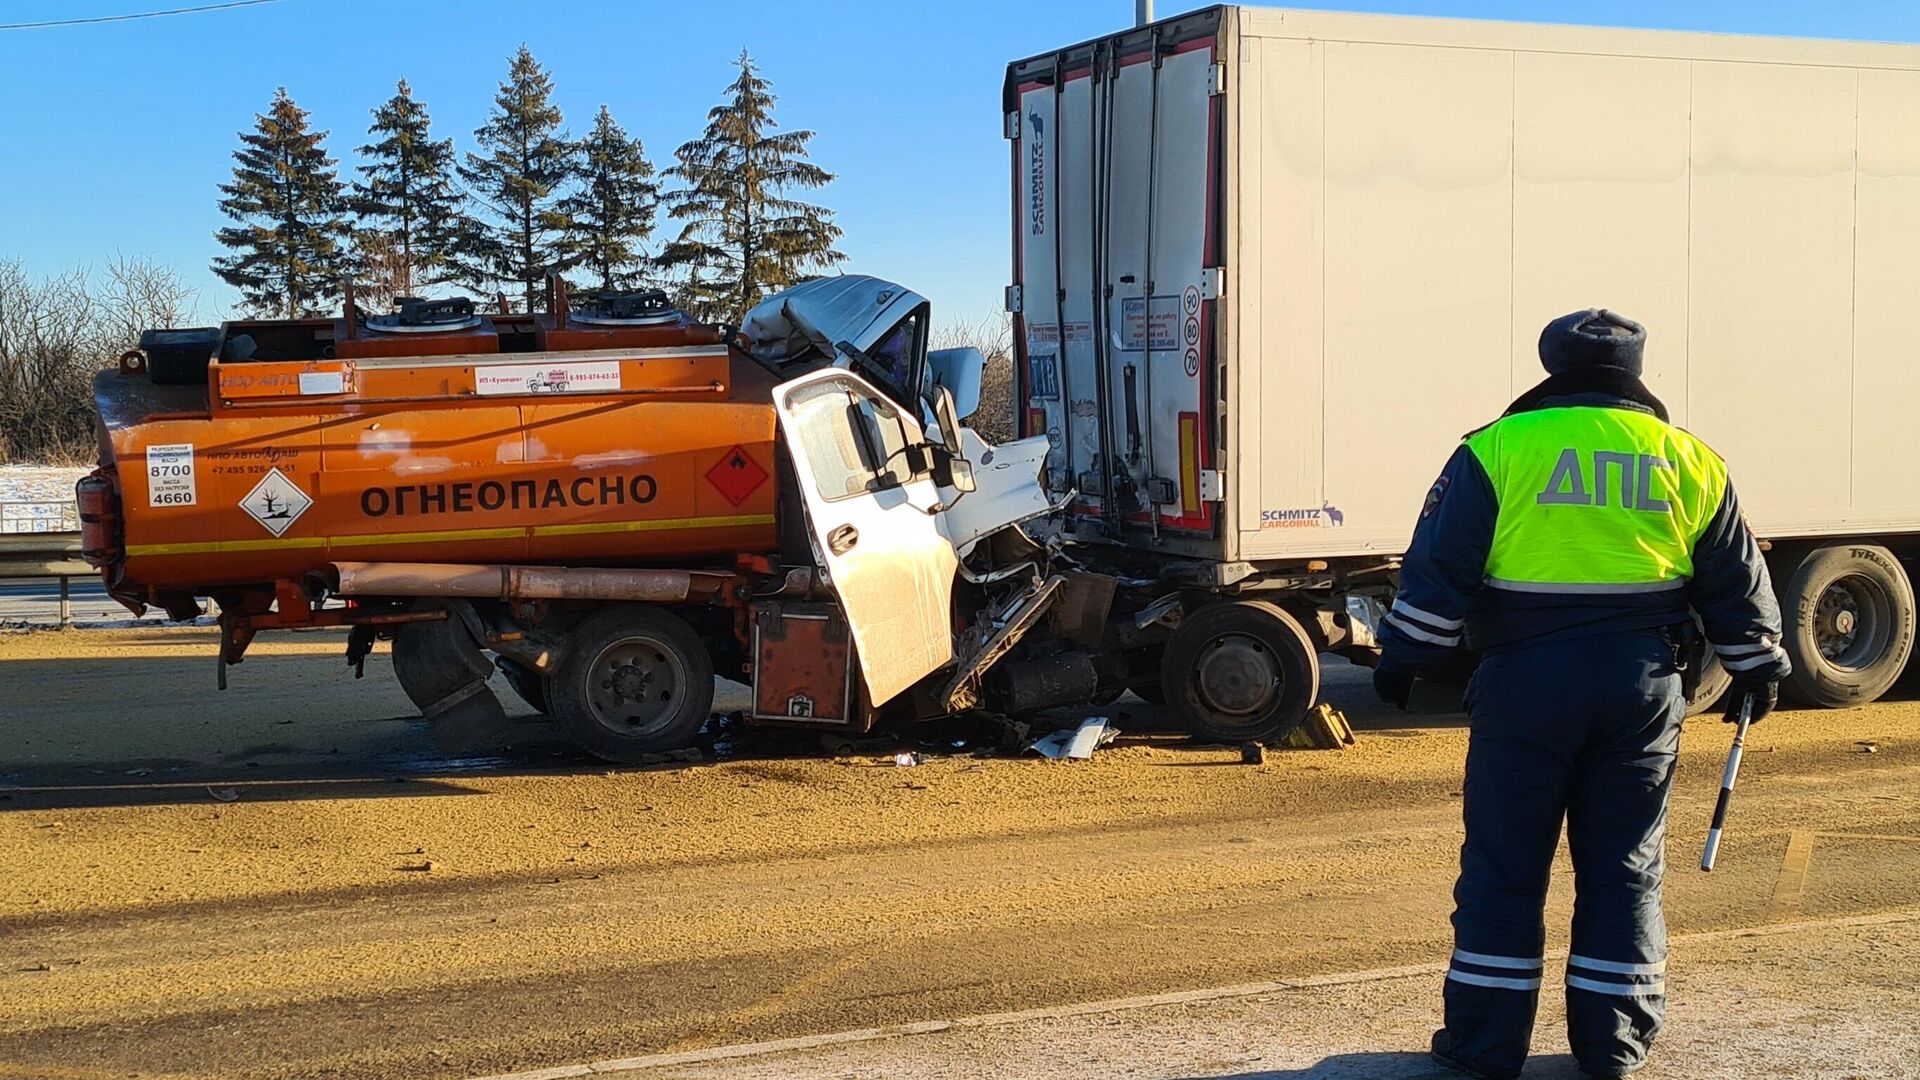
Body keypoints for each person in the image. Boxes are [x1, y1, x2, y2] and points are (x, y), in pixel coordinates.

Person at [1372, 309, 1790, 1080]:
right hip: (1642, 688)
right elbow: (1736, 579)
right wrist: (1758, 664)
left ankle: (1486, 1045)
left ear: (1550, 363)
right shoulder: (1688, 457)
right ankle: (1612, 1045)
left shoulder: (1497, 450)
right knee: (1624, 867)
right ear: (1636, 369)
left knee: (1504, 866)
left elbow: (1442, 568)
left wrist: (1405, 656)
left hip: (1525, 684)